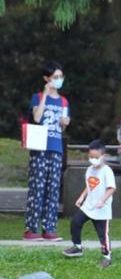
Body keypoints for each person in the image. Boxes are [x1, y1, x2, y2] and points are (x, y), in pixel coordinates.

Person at [24, 61, 70, 241]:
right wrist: (44, 94)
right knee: (37, 187)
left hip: (56, 147)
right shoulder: (37, 97)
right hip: (39, 148)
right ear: (46, 79)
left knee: (53, 189)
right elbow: (36, 117)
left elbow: (63, 128)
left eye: (61, 76)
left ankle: (49, 229)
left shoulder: (64, 101)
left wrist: (65, 124)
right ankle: (31, 229)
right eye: (55, 77)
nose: (59, 80)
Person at [62, 140, 115, 267]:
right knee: (75, 222)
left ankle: (107, 257)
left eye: (96, 157)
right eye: (90, 157)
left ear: (103, 156)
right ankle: (77, 247)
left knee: (102, 234)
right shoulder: (89, 169)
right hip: (88, 206)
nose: (93, 160)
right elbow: (89, 185)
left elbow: (112, 188)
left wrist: (102, 200)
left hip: (101, 208)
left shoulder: (107, 171)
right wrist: (82, 197)